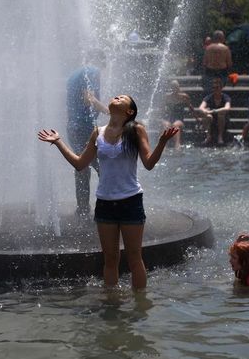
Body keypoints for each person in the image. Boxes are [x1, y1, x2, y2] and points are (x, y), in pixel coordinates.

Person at [38, 95, 178, 290]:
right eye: (116, 96)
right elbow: (80, 164)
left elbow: (148, 163)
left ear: (130, 111)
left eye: (123, 98)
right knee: (110, 258)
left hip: (131, 201)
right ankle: (112, 303)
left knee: (134, 258)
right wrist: (59, 142)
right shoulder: (98, 133)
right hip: (104, 203)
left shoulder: (136, 130)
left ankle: (139, 305)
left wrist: (162, 142)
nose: (117, 97)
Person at [66, 50, 108, 216]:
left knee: (82, 165)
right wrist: (110, 111)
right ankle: (110, 205)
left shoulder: (75, 74)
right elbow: (88, 98)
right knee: (104, 164)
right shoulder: (92, 71)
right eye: (104, 62)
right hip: (84, 127)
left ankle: (82, 208)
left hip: (73, 126)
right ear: (98, 60)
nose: (105, 66)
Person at [195, 77, 231, 145]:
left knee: (221, 114)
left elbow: (227, 108)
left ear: (221, 88)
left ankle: (220, 136)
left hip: (223, 119)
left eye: (217, 87)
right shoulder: (209, 97)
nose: (215, 89)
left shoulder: (225, 97)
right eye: (214, 88)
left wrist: (214, 111)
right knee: (207, 116)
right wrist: (205, 111)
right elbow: (200, 108)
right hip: (212, 118)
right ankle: (208, 136)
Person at [161, 80, 195, 149]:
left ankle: (177, 145)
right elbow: (162, 109)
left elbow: (190, 107)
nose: (175, 89)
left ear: (179, 87)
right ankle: (162, 146)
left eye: (176, 87)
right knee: (165, 125)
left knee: (175, 125)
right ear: (171, 88)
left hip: (180, 119)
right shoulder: (167, 97)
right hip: (170, 118)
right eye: (173, 87)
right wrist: (162, 119)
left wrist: (196, 118)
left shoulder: (184, 97)